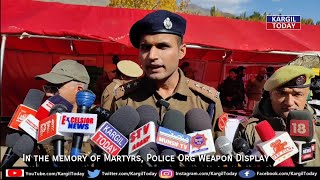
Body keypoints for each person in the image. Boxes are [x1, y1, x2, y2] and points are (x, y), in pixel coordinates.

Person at [111, 10, 224, 139]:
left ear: (181, 51)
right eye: (145, 47)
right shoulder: (123, 99)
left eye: (162, 46)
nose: (152, 56)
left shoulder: (206, 102)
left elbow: (219, 153)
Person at [238, 65, 319, 167]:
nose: (289, 102)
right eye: (282, 94)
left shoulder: (318, 128)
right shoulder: (250, 129)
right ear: (270, 94)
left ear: (307, 94)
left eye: (297, 94)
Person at [35, 60, 92, 155]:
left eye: (54, 88)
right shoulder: (46, 119)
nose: (48, 94)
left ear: (79, 90)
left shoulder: (95, 125)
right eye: (47, 88)